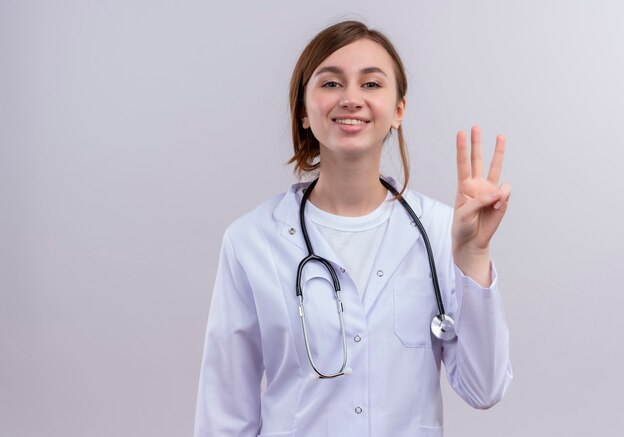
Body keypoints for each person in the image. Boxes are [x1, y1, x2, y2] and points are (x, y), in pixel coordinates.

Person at [194, 20, 512, 437]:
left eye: (372, 84)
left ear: (398, 110)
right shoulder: (250, 240)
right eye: (330, 84)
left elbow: (483, 389)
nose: (350, 99)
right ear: (303, 112)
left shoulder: (442, 230)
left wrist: (473, 257)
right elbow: (224, 413)